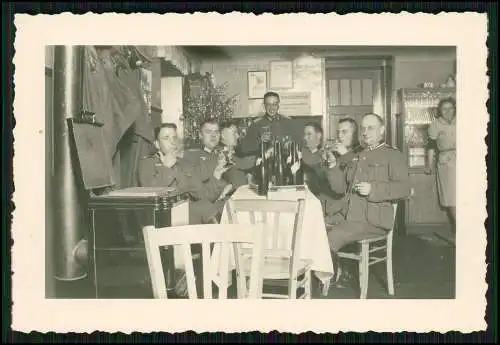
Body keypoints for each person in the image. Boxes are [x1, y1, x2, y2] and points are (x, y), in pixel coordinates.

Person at [325, 113, 411, 284]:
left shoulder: (392, 155)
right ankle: (331, 275)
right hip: (348, 214)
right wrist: (334, 166)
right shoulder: (357, 155)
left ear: (382, 130)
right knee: (316, 227)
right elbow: (340, 187)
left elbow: (405, 189)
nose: (365, 132)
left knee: (332, 237)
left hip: (372, 219)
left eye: (371, 128)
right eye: (363, 128)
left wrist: (373, 189)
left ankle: (328, 278)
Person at [137, 123, 221, 225]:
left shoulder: (184, 164)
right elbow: (151, 194)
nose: (172, 142)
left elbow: (203, 195)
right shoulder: (147, 164)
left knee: (214, 207)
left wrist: (217, 174)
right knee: (205, 209)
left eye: (174, 137)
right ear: (157, 144)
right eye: (166, 138)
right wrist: (166, 168)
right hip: (163, 218)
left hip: (187, 215)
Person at [182, 119, 235, 221]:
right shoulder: (192, 157)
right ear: (200, 135)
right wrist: (217, 175)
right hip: (208, 212)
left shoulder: (221, 154)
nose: (213, 135)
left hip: (224, 204)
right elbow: (201, 196)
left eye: (216, 132)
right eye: (208, 132)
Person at [428, 97, 456, 231]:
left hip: (465, 160)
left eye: (450, 108)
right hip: (446, 163)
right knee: (451, 198)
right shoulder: (436, 124)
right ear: (440, 110)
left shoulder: (462, 120)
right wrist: (429, 165)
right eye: (444, 109)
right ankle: (459, 228)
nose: (448, 111)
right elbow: (431, 146)